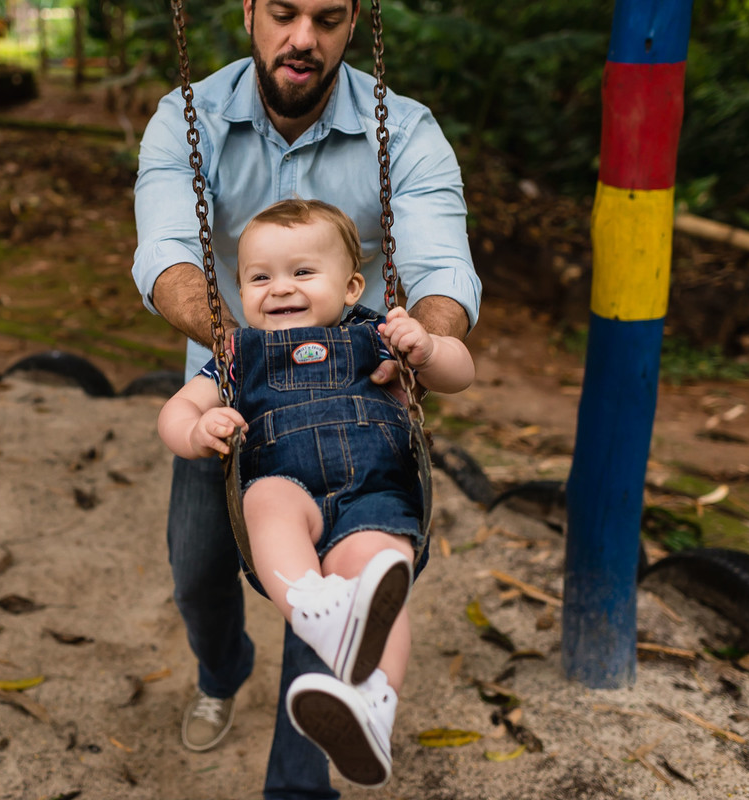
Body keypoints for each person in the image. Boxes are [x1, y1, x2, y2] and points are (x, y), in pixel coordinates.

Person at [132, 1, 482, 796]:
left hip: (362, 393)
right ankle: (221, 672)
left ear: (354, 20)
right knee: (198, 572)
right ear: (249, 10)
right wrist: (227, 346)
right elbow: (165, 252)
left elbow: (441, 270)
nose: (302, 39)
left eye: (326, 18)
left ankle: (303, 780)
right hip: (236, 378)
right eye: (283, 13)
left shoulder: (408, 130)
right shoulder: (187, 119)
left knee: (333, 591)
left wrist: (419, 346)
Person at [157, 198, 474, 787]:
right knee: (267, 503)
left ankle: (375, 706)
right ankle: (311, 602)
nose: (280, 288)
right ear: (240, 289)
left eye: (302, 272)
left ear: (352, 285)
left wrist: (426, 348)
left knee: (382, 574)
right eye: (260, 277)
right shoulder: (236, 354)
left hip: (374, 491)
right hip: (290, 482)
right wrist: (198, 430)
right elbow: (176, 412)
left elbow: (459, 372)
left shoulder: (378, 334)